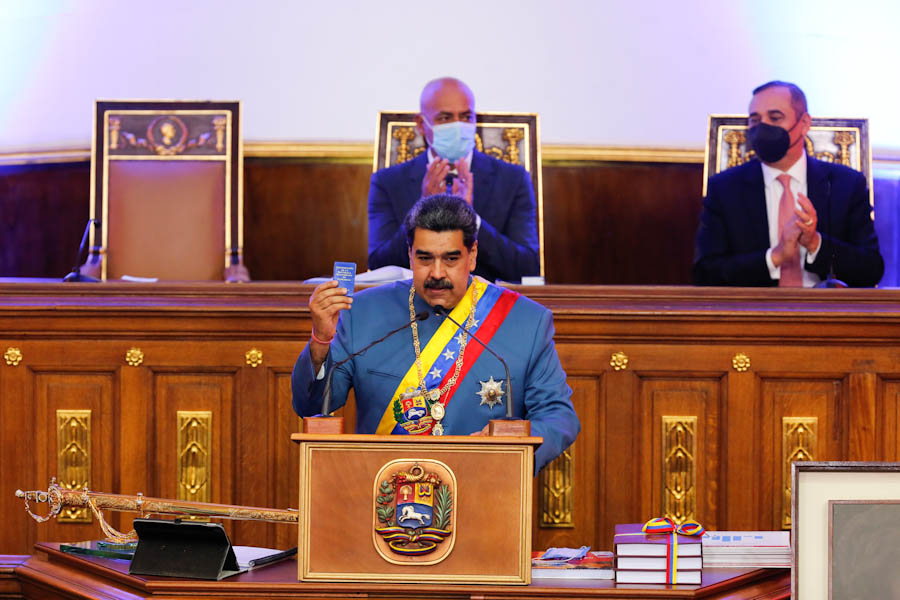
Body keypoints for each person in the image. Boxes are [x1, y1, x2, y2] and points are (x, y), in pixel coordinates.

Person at [294, 194, 578, 472]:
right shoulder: (363, 313)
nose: (437, 273)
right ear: (410, 255)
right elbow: (312, 405)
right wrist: (321, 340)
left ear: (472, 255)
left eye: (451, 259)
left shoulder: (525, 321)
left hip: (484, 483)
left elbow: (559, 417)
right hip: (382, 491)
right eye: (425, 259)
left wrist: (512, 448)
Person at [693, 80, 883, 287]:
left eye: (775, 118)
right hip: (755, 306)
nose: (763, 127)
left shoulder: (845, 184)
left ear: (804, 124)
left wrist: (815, 243)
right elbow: (705, 273)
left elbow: (871, 269)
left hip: (823, 306)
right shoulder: (725, 189)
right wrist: (774, 257)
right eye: (755, 120)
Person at [367, 77, 540, 283]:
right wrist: (421, 211)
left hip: (485, 300)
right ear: (421, 124)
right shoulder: (388, 182)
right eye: (445, 118)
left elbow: (527, 267)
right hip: (413, 300)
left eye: (466, 117)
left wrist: (472, 220)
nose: (458, 126)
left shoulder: (512, 179)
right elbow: (379, 266)